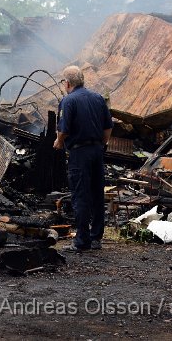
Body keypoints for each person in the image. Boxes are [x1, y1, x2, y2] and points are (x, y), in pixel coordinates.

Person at [53, 65, 113, 252]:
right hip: (96, 152)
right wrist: (101, 144)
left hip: (79, 153)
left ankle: (82, 241)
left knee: (81, 195)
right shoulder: (98, 98)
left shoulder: (68, 101)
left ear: (67, 83)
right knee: (97, 194)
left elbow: (64, 129)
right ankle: (96, 239)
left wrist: (58, 142)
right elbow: (108, 127)